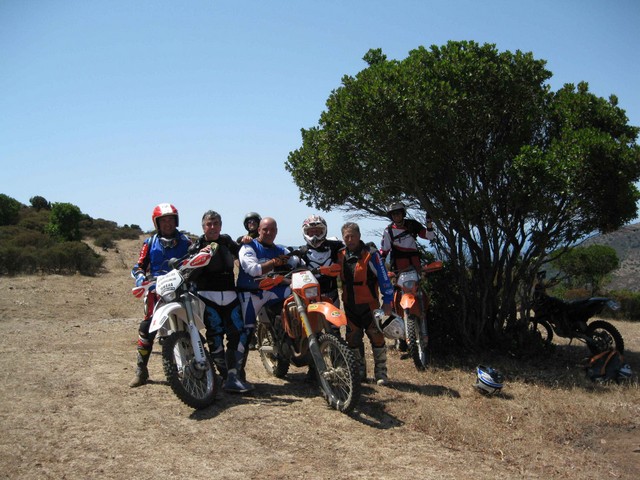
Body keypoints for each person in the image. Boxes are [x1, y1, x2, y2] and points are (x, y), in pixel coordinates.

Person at [129, 203, 192, 388]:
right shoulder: (150, 243)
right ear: (156, 223)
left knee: (192, 325)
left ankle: (197, 364)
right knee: (146, 328)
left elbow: (194, 260)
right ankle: (141, 370)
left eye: (171, 219)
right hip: (156, 290)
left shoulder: (186, 241)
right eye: (163, 220)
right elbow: (138, 266)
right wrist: (140, 278)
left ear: (176, 221)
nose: (168, 223)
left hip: (181, 288)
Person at [189, 210, 247, 393]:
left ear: (221, 226)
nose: (212, 227)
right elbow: (188, 270)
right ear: (203, 227)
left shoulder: (226, 241)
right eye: (209, 224)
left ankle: (234, 374)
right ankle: (222, 376)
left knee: (238, 333)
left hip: (230, 295)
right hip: (207, 296)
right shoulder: (197, 245)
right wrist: (199, 256)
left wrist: (245, 240)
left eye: (216, 224)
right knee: (215, 336)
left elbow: (242, 253)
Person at [237, 217, 292, 387]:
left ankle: (289, 340)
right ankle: (236, 373)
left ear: (277, 231)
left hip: (273, 290)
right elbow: (253, 270)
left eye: (272, 230)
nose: (269, 233)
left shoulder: (280, 248)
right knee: (245, 332)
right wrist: (275, 262)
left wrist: (299, 256)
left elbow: (296, 260)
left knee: (297, 300)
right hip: (251, 293)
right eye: (265, 229)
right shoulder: (248, 247)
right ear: (259, 230)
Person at [337, 222, 394, 386]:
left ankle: (381, 373)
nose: (350, 239)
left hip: (370, 306)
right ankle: (359, 373)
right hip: (349, 306)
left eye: (353, 236)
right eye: (346, 237)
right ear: (343, 238)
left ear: (359, 236)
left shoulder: (371, 255)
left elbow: (384, 278)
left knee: (377, 337)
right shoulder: (340, 254)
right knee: (353, 339)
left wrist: (387, 301)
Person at [380, 202, 435, 272]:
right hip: (398, 266)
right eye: (393, 214)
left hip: (415, 264)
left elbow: (430, 237)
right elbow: (384, 250)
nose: (396, 216)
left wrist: (429, 222)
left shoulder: (413, 224)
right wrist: (380, 262)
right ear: (391, 216)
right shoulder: (388, 230)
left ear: (403, 213)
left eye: (398, 213)